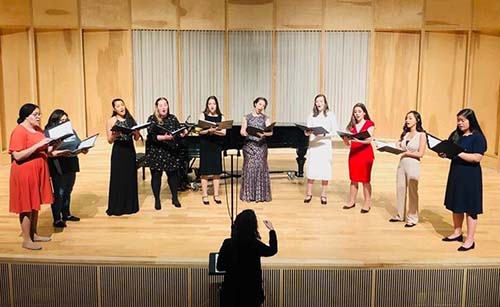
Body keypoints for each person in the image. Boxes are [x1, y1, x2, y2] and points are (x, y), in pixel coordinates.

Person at [9, 103, 57, 250]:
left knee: (35, 203)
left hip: (38, 172)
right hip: (25, 173)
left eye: (39, 114)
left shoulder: (37, 129)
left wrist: (55, 144)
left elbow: (45, 149)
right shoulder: (19, 131)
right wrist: (38, 146)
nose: (39, 117)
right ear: (26, 116)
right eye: (35, 114)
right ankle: (26, 239)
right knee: (26, 205)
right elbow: (17, 155)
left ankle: (34, 233)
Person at [440, 109, 486, 252]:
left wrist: (458, 152)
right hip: (456, 173)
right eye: (458, 120)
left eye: (462, 120)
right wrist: (445, 153)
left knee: (471, 207)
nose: (459, 123)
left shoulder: (478, 137)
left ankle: (470, 239)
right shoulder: (456, 136)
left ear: (470, 121)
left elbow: (476, 157)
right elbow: (451, 152)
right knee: (456, 203)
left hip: (470, 176)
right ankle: (457, 232)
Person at [217, 209, 278, 307]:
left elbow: (220, 266)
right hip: (252, 295)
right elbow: (272, 250)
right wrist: (271, 230)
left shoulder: (228, 243)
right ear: (253, 227)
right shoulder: (255, 244)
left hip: (231, 294)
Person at [45, 109, 86, 227]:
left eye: (66, 120)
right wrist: (61, 152)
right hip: (58, 164)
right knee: (60, 192)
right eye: (61, 120)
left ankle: (66, 214)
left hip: (71, 162)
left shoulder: (71, 131)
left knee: (68, 189)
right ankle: (57, 218)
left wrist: (83, 148)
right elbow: (48, 150)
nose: (64, 122)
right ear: (55, 121)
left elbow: (78, 143)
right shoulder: (49, 132)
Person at [144, 97, 187, 209]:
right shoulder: (152, 119)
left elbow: (177, 133)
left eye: (165, 105)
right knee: (156, 176)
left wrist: (181, 134)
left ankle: (174, 197)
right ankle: (157, 200)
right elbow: (151, 136)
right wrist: (164, 137)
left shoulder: (173, 118)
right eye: (161, 105)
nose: (163, 107)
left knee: (173, 176)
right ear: (157, 107)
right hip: (156, 152)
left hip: (170, 152)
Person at [388, 111, 426, 227]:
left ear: (417, 120)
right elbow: (399, 146)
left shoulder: (421, 135)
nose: (407, 121)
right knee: (400, 188)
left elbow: (420, 153)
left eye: (410, 118)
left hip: (413, 164)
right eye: (406, 118)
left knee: (412, 191)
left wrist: (406, 152)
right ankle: (400, 215)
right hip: (402, 164)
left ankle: (412, 218)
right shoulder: (405, 134)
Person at [106, 98, 140, 216]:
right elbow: (109, 140)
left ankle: (130, 206)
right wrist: (115, 135)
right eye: (118, 106)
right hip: (118, 150)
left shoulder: (130, 119)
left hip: (130, 150)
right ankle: (118, 207)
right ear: (114, 109)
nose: (121, 108)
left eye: (122, 105)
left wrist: (136, 132)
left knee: (130, 177)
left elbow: (136, 138)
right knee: (118, 178)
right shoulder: (111, 121)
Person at [303, 94, 338, 205]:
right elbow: (308, 129)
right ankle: (309, 193)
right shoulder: (312, 115)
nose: (318, 103)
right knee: (311, 168)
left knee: (325, 170)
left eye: (321, 101)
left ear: (325, 103)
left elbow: (335, 132)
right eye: (317, 101)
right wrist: (306, 132)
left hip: (324, 146)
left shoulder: (331, 115)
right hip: (313, 146)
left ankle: (323, 194)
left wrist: (324, 134)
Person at [342, 103, 375, 213]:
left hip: (365, 154)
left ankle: (367, 202)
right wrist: (346, 140)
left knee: (365, 180)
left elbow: (368, 140)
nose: (357, 114)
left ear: (364, 113)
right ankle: (351, 201)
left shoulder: (370, 124)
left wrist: (355, 140)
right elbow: (348, 144)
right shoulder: (351, 126)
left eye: (359, 111)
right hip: (354, 154)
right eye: (355, 112)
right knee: (353, 179)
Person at [240, 97, 272, 203]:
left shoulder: (265, 118)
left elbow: (270, 132)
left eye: (263, 106)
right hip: (249, 146)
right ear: (255, 104)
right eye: (259, 104)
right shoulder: (247, 117)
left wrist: (263, 133)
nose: (261, 107)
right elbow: (242, 131)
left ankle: (260, 195)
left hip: (261, 146)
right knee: (249, 167)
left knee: (260, 167)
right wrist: (247, 133)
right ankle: (248, 195)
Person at [198, 96, 226, 205]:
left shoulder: (221, 117)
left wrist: (213, 131)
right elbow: (199, 131)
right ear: (207, 105)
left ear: (217, 105)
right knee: (204, 170)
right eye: (210, 104)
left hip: (216, 145)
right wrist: (209, 130)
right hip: (205, 144)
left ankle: (216, 194)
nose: (212, 106)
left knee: (216, 171)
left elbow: (224, 132)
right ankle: (205, 195)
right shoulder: (202, 115)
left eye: (214, 103)